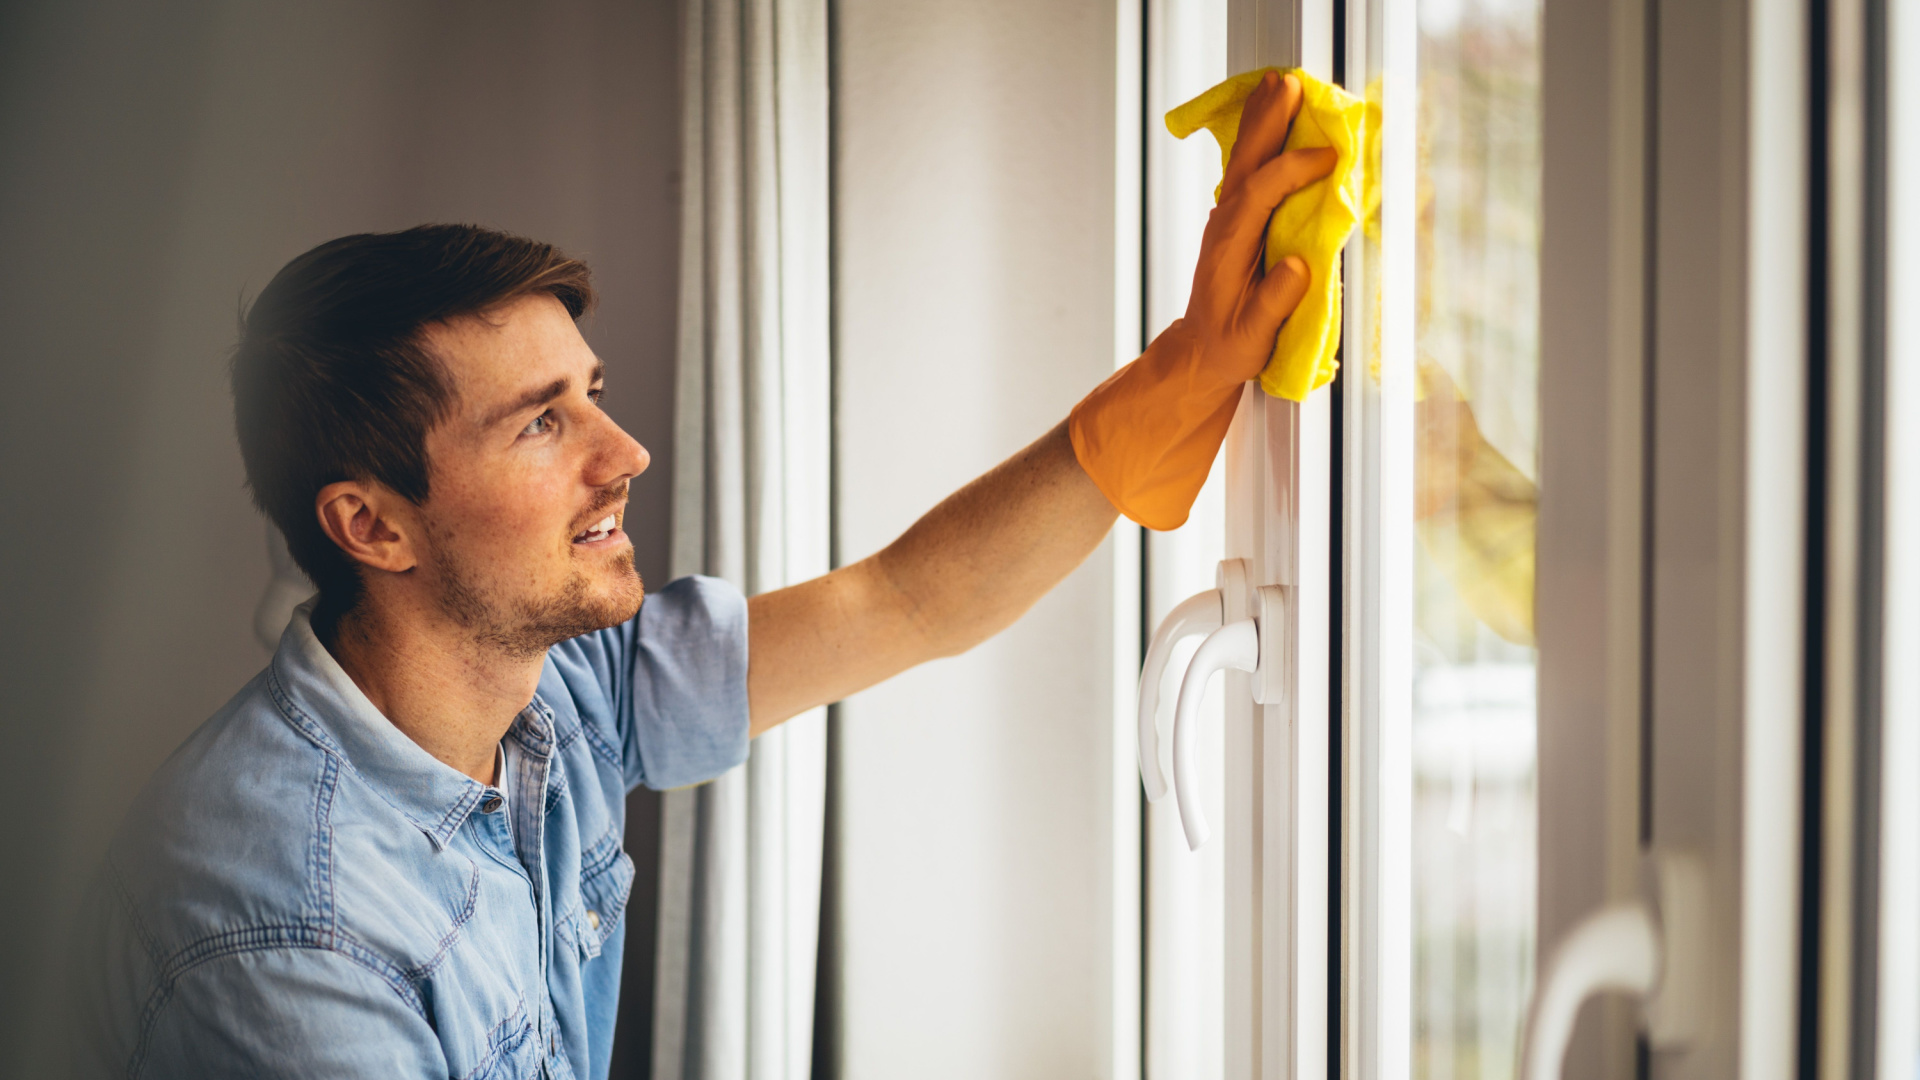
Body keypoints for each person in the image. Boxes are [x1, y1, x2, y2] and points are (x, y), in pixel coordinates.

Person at [71, 72, 1333, 1078]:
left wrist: (1187, 375)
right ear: (373, 525)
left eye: (594, 397)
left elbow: (902, 602)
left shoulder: (544, 686)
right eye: (539, 423)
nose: (626, 455)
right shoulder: (289, 934)